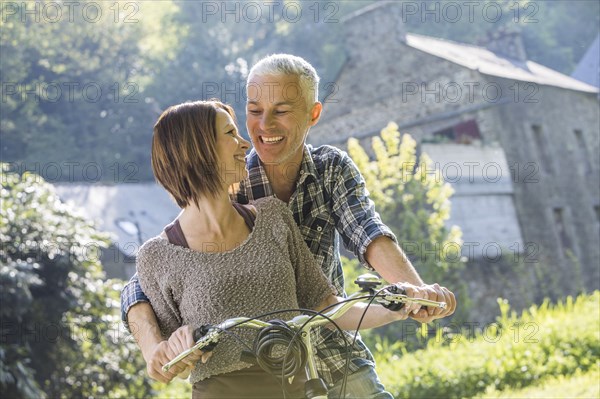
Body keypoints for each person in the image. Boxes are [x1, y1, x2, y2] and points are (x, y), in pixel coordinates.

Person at [122, 54, 456, 397]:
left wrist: (414, 295)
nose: (259, 130)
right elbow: (146, 283)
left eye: (280, 111)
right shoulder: (214, 200)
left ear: (312, 114)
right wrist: (156, 346)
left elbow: (366, 236)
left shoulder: (320, 176)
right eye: (253, 112)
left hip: (330, 348)